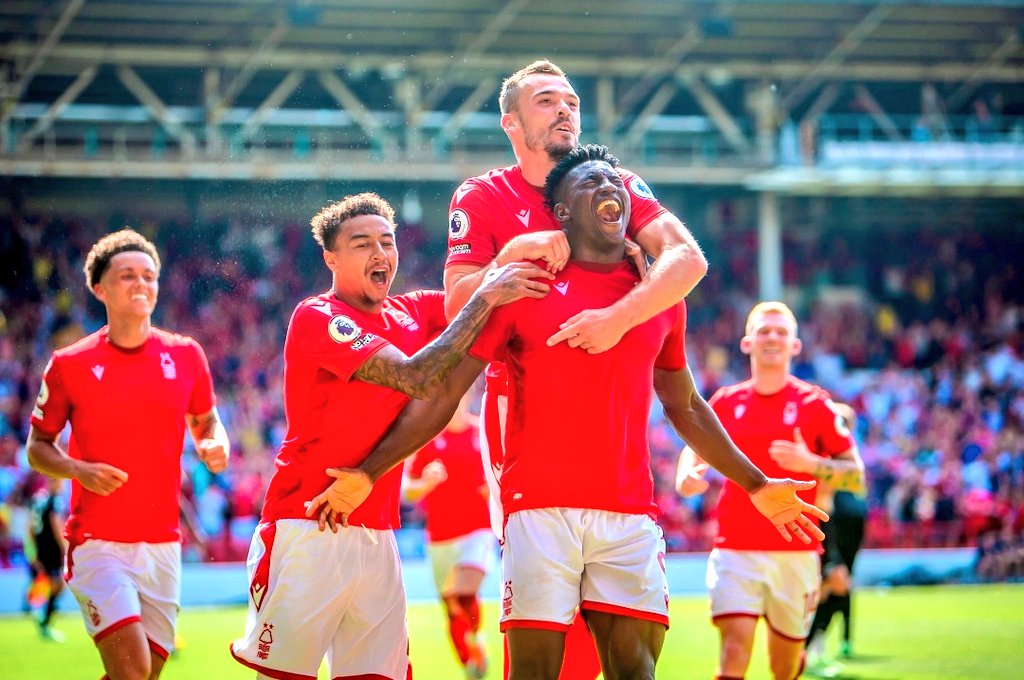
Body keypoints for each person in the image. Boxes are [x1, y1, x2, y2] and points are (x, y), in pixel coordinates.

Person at [306, 147, 828, 680]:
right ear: (560, 212)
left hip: (629, 513)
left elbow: (686, 405)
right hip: (538, 511)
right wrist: (371, 473)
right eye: (591, 181)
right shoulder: (522, 289)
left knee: (636, 672)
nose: (610, 186)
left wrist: (757, 484)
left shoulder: (660, 297)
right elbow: (443, 396)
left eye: (614, 179)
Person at [442, 58, 709, 680]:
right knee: (541, 648)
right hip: (524, 422)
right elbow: (456, 308)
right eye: (545, 101)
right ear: (511, 121)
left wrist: (621, 315)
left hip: (612, 420)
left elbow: (687, 260)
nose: (564, 109)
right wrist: (512, 252)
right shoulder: (483, 197)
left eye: (571, 101)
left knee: (614, 651)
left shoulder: (614, 181)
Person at [230, 192, 550, 680]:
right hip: (308, 523)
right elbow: (418, 375)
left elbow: (487, 294)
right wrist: (487, 295)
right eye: (362, 244)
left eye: (388, 242)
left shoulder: (414, 310)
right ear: (330, 258)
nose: (380, 254)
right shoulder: (318, 317)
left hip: (378, 531)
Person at [26, 228, 232, 680]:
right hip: (98, 545)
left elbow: (207, 422)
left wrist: (215, 445)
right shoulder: (69, 364)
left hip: (162, 546)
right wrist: (78, 469)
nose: (141, 284)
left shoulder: (186, 355)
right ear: (99, 288)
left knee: (141, 676)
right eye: (126, 276)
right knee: (134, 673)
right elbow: (37, 448)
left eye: (149, 275)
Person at [676, 302, 865, 680]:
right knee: (733, 654)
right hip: (735, 549)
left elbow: (856, 478)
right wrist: (686, 476)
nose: (772, 338)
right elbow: (691, 447)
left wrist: (810, 463)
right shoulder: (727, 401)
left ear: (795, 345)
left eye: (781, 332)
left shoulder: (816, 405)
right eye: (764, 330)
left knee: (784, 666)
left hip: (796, 553)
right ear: (747, 342)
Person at [403, 390, 496, 679]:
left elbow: (505, 472)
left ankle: (476, 639)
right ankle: (470, 658)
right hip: (441, 537)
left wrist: (494, 488)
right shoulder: (427, 438)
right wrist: (425, 484)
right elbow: (406, 489)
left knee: (466, 591)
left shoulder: (483, 432)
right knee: (451, 607)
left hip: (478, 531)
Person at [803, 403, 868, 678]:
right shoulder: (827, 457)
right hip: (826, 528)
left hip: (837, 529)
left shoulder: (841, 457)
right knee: (828, 587)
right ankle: (806, 651)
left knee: (833, 587)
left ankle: (812, 649)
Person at [25, 475, 67, 642]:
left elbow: (29, 526)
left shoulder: (37, 499)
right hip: (52, 549)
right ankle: (44, 619)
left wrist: (32, 550)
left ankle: (41, 615)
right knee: (57, 585)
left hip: (40, 548)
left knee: (47, 582)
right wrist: (65, 548)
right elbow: (56, 525)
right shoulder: (55, 500)